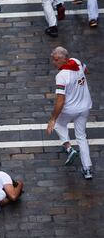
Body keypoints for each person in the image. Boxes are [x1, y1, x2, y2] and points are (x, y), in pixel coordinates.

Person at [47, 46, 93, 179]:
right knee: (81, 137)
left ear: (64, 59)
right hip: (84, 107)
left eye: (56, 60)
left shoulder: (61, 76)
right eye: (53, 60)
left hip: (70, 109)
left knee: (58, 124)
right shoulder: (77, 62)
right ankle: (87, 169)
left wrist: (52, 118)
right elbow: (86, 70)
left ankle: (69, 148)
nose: (54, 63)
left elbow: (60, 101)